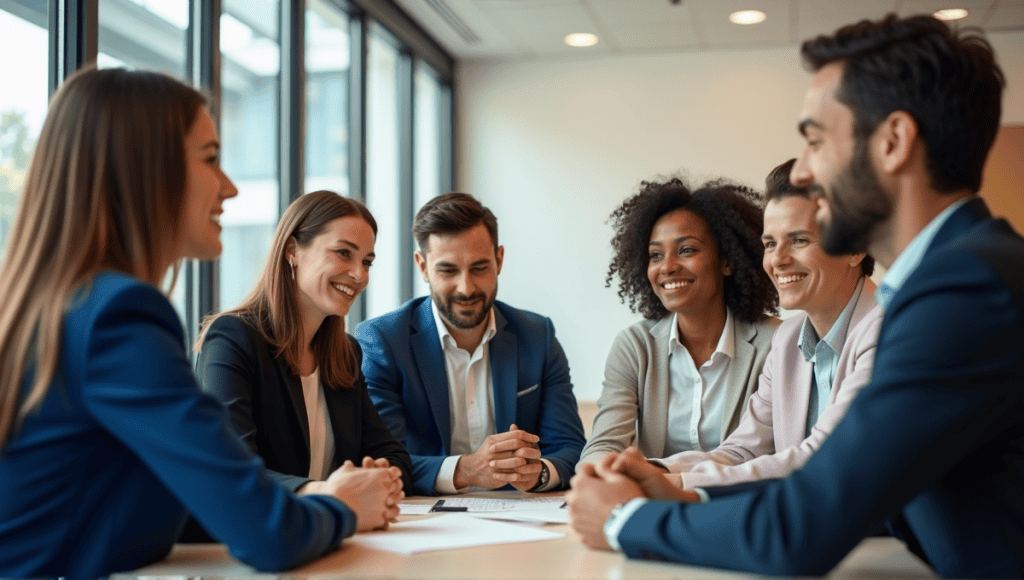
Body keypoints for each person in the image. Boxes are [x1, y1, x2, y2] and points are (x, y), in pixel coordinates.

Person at [566, 14, 1024, 578]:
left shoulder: (964, 292)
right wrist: (676, 491)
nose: (803, 171)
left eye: (815, 140)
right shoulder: (963, 273)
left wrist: (624, 522)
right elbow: (865, 495)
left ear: (893, 142)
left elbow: (801, 527)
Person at [0, 68, 395, 579]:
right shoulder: (119, 317)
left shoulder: (65, 305)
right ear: (146, 170)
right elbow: (266, 534)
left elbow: (168, 507)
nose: (228, 187)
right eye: (210, 159)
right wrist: (342, 508)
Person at [192, 190, 410, 539]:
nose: (359, 274)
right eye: (343, 253)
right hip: (259, 542)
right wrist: (329, 493)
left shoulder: (345, 353)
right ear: (293, 250)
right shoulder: (232, 339)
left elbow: (391, 454)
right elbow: (233, 468)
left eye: (367, 261)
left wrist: (377, 477)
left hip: (331, 538)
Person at [654, 159, 882, 491]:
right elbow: (741, 450)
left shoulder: (888, 327)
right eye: (770, 243)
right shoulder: (788, 338)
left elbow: (822, 458)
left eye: (799, 240)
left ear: (856, 248)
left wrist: (674, 484)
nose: (777, 260)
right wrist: (652, 469)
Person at [356, 192, 586, 496]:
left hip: (523, 517)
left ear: (499, 260)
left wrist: (539, 472)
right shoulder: (383, 340)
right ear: (422, 267)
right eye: (448, 270)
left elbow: (570, 447)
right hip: (422, 521)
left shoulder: (537, 335)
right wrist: (465, 470)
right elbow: (381, 461)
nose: (466, 288)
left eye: (479, 268)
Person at [577, 178, 780, 466]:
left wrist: (660, 475)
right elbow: (605, 443)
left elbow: (762, 453)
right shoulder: (635, 346)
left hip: (738, 503)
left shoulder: (774, 343)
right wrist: (596, 473)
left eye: (687, 250)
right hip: (656, 503)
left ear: (728, 260)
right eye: (656, 255)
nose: (668, 267)